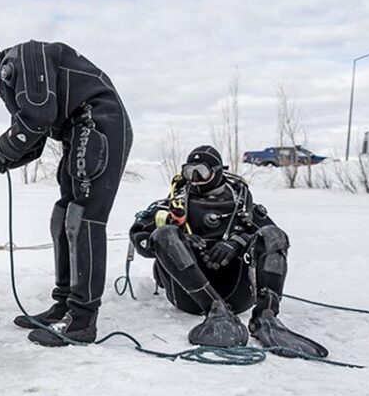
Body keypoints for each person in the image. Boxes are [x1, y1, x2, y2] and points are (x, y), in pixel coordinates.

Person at [0, 37, 133, 346]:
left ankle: (81, 320)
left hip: (100, 122)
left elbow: (37, 118)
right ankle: (64, 304)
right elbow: (32, 143)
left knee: (84, 216)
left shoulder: (23, 59)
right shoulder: (13, 83)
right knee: (62, 215)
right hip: (79, 129)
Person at [127, 145, 328, 357]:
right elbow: (140, 238)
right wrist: (179, 242)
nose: (194, 178)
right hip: (188, 297)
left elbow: (274, 239)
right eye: (189, 172)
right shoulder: (174, 204)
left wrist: (238, 242)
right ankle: (214, 310)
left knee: (274, 235)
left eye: (201, 172)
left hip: (237, 294)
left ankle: (266, 317)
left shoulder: (242, 206)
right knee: (165, 233)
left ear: (218, 171)